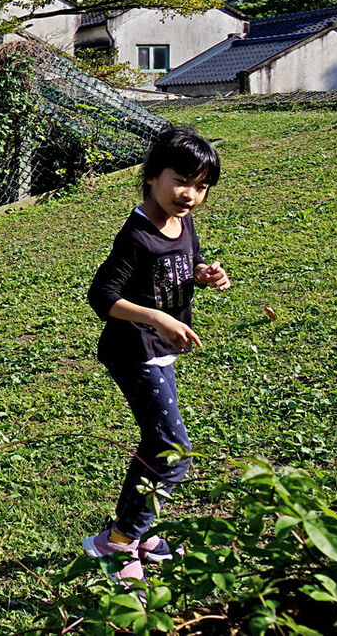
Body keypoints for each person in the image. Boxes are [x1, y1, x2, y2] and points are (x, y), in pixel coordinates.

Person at [84, 126, 231, 582]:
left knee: (159, 444)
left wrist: (203, 276)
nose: (190, 194)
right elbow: (101, 296)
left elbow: (176, 272)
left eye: (202, 186)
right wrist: (156, 319)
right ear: (151, 176)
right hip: (134, 350)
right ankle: (118, 541)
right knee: (172, 448)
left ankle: (134, 530)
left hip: (159, 348)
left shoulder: (182, 222)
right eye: (181, 180)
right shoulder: (136, 236)